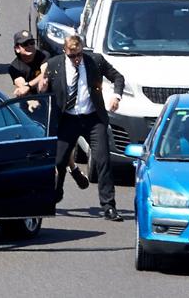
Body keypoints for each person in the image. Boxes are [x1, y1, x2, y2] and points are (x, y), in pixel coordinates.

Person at [38, 34, 125, 221]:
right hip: (68, 118)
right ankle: (54, 194)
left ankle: (109, 206)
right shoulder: (54, 65)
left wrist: (116, 96)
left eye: (78, 54)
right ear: (64, 52)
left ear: (82, 50)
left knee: (103, 160)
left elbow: (118, 77)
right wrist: (43, 87)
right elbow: (43, 91)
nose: (76, 59)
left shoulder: (95, 61)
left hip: (93, 117)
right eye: (71, 56)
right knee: (58, 160)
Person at [9, 30, 88, 191]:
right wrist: (30, 99)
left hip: (52, 105)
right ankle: (72, 170)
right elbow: (19, 85)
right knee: (37, 145)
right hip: (30, 109)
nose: (30, 46)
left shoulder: (43, 55)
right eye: (25, 44)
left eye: (31, 42)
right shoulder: (14, 67)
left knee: (58, 143)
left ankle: (68, 172)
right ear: (17, 48)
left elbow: (46, 73)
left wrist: (28, 87)